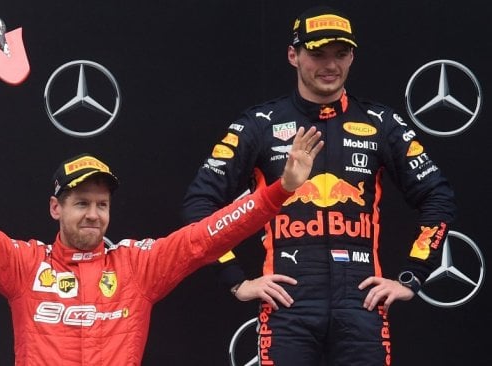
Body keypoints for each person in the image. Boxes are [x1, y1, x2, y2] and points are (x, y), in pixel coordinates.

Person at [0, 73, 323, 366]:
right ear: (56, 208)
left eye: (102, 205)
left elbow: (207, 237)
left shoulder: (137, 267)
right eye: (81, 203)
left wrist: (278, 190)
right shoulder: (23, 265)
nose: (94, 214)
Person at [181, 5, 456, 366]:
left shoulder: (381, 123)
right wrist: (235, 279)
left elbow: (437, 195)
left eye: (340, 54)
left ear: (352, 56)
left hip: (362, 305)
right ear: (293, 55)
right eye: (317, 54)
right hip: (288, 306)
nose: (330, 65)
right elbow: (200, 205)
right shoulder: (260, 125)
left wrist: (410, 277)